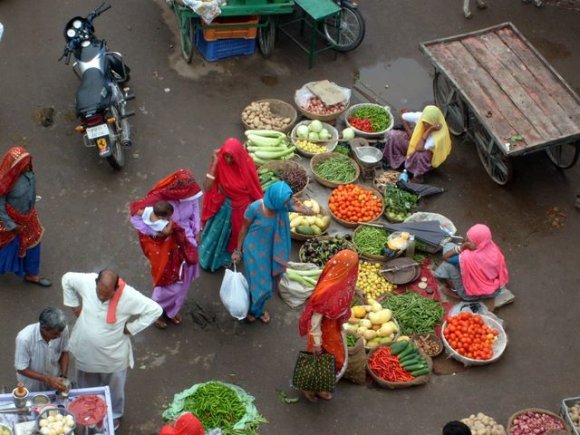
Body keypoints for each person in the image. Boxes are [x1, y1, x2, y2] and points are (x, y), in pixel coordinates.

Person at [62, 270, 162, 430]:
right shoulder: (87, 282)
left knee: (114, 389)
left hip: (113, 357)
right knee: (86, 386)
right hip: (86, 352)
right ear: (95, 284)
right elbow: (67, 279)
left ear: (116, 289)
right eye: (99, 293)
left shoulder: (129, 296)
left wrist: (131, 328)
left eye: (106, 295)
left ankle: (113, 415)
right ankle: (88, 411)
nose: (102, 298)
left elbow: (155, 310)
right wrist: (75, 307)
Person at [232, 181, 313, 324]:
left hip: (272, 248)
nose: (287, 204)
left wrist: (305, 209)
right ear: (275, 200)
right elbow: (244, 229)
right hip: (254, 250)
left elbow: (295, 205)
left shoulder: (282, 205)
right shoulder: (255, 208)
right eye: (284, 202)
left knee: (266, 282)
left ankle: (256, 307)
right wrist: (238, 251)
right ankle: (254, 311)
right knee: (263, 287)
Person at [130, 169, 203, 329]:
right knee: (168, 282)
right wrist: (155, 233)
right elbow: (135, 216)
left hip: (187, 242)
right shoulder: (158, 200)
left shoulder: (190, 195)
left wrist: (197, 230)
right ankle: (155, 312)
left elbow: (195, 210)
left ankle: (171, 309)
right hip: (166, 249)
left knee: (183, 281)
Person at [298, 249, 359, 402]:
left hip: (332, 330)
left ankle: (322, 386)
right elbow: (315, 319)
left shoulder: (342, 282)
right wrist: (317, 342)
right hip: (321, 332)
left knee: (333, 360)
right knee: (320, 361)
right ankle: (309, 388)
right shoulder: (327, 291)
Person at [200, 138, 263, 272]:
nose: (228, 160)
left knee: (236, 234)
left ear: (238, 156)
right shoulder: (220, 162)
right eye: (226, 156)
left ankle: (235, 252)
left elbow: (254, 188)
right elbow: (207, 187)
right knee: (216, 235)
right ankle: (210, 260)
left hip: (240, 208)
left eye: (231, 157)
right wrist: (214, 164)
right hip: (223, 208)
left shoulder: (246, 164)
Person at [0, 146, 51, 287]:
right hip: (8, 222)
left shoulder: (28, 173)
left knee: (34, 242)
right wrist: (12, 226)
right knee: (6, 249)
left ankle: (32, 275)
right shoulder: (3, 182)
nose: (27, 165)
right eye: (23, 163)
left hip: (28, 217)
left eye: (28, 161)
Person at [434, 224, 512, 305]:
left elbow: (445, 257)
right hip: (494, 289)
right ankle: (443, 275)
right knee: (450, 246)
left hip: (471, 294)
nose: (466, 239)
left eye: (469, 239)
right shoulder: (492, 247)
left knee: (448, 264)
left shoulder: (468, 258)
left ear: (475, 242)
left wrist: (462, 247)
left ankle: (457, 291)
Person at [383, 106, 452, 182]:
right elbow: (402, 116)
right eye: (424, 123)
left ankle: (418, 176)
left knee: (419, 154)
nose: (425, 126)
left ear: (434, 124)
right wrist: (410, 134)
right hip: (416, 145)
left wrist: (429, 130)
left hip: (427, 155)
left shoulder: (438, 136)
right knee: (393, 135)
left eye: (428, 125)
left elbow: (418, 148)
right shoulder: (421, 117)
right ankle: (394, 160)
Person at [14, 307, 70, 393]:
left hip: (55, 382)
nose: (59, 336)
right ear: (43, 328)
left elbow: (64, 352)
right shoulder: (24, 339)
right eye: (55, 333)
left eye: (60, 332)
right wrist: (47, 379)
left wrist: (63, 377)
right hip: (32, 387)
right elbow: (21, 368)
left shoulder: (62, 329)